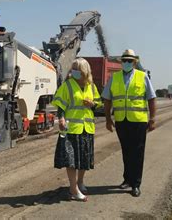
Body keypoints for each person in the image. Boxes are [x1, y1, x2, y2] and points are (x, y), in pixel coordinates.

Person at [102, 49, 156, 197]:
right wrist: (108, 119)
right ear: (121, 62)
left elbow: (151, 98)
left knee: (137, 153)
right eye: (124, 60)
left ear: (134, 62)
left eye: (129, 61)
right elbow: (107, 99)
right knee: (126, 151)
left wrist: (152, 119)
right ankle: (127, 179)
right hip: (121, 121)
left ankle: (136, 184)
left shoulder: (142, 76)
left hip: (138, 121)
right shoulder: (114, 77)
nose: (126, 63)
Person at [52, 58, 102, 202]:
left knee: (84, 159)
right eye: (73, 68)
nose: (74, 71)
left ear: (85, 71)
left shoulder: (91, 87)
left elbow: (98, 104)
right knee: (71, 160)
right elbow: (60, 104)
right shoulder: (67, 85)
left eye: (77, 69)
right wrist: (60, 118)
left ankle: (80, 182)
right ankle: (73, 189)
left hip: (87, 129)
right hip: (71, 129)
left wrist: (92, 104)